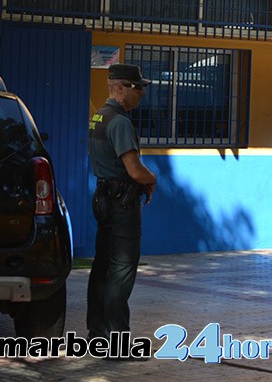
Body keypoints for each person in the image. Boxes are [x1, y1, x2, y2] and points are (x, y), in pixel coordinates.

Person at [87, 63, 157, 347]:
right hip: (121, 203)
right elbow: (134, 170)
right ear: (121, 87)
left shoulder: (98, 118)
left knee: (103, 266)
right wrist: (152, 179)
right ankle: (116, 340)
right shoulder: (119, 122)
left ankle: (97, 333)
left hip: (104, 198)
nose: (141, 93)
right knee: (122, 269)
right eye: (137, 87)